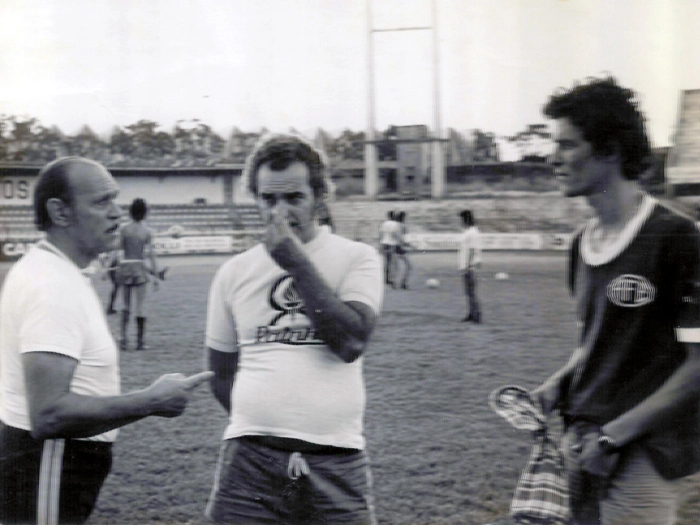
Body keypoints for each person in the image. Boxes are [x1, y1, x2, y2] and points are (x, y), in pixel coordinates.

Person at [0, 156, 213, 525]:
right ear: (60, 212)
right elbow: (49, 415)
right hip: (50, 461)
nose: (117, 213)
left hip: (49, 463)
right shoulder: (52, 285)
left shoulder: (56, 272)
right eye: (101, 202)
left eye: (115, 200)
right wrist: (151, 400)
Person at [531, 77, 700, 525]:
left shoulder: (676, 239)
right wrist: (559, 382)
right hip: (582, 440)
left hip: (641, 449)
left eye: (567, 146)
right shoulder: (580, 244)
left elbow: (697, 364)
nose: (554, 159)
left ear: (609, 149)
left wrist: (614, 437)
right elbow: (597, 342)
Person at [205, 134, 383, 525]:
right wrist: (265, 423)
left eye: (293, 198)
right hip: (250, 462)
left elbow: (351, 341)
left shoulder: (357, 258)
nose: (279, 212)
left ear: (319, 196)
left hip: (336, 461)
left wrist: (296, 263)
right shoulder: (233, 272)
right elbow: (220, 372)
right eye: (268, 199)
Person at [117, 198, 167, 350]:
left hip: (125, 268)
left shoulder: (123, 229)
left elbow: (118, 251)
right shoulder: (147, 232)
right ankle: (140, 342)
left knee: (125, 306)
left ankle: (123, 340)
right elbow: (151, 255)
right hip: (139, 268)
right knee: (140, 306)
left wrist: (110, 267)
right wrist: (156, 276)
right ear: (145, 213)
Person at [458, 209, 481, 323]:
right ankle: (471, 313)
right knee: (468, 292)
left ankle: (476, 315)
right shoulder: (469, 231)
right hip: (466, 265)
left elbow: (472, 250)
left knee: (471, 291)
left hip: (469, 266)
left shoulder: (472, 232)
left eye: (461, 219)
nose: (460, 222)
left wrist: (468, 265)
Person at [378, 210, 400, 287]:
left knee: (386, 262)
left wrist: (380, 244)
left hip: (384, 243)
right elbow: (395, 234)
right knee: (392, 262)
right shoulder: (395, 224)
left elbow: (380, 234)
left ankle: (385, 278)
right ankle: (391, 279)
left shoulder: (384, 224)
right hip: (391, 243)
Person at [394, 211, 412, 290]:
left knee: (398, 266)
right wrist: (406, 245)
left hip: (395, 247)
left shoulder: (395, 225)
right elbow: (402, 237)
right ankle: (403, 283)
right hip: (400, 247)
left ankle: (398, 282)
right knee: (408, 266)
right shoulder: (403, 226)